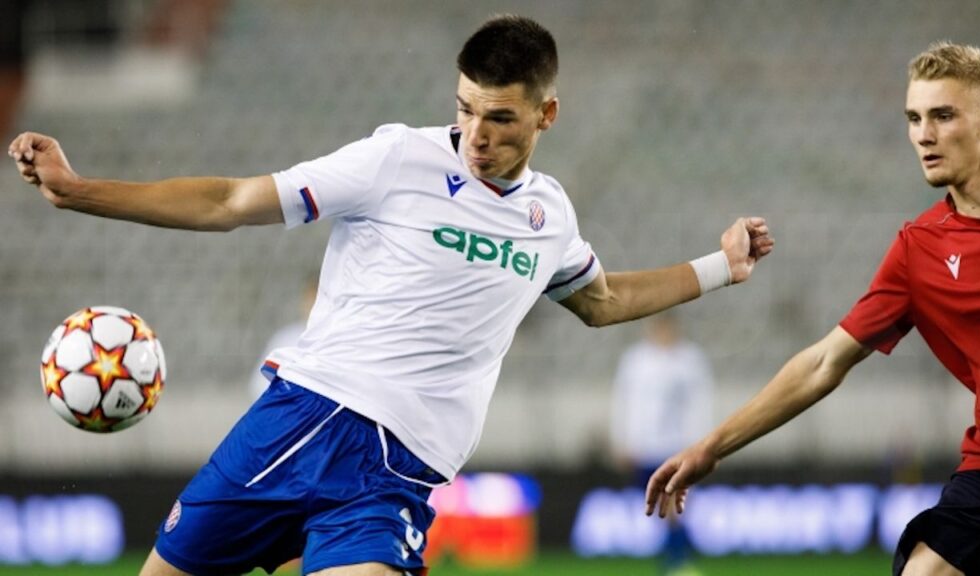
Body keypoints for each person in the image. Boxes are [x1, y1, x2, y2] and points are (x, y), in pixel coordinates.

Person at [10, 15, 773, 576]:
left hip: (394, 472)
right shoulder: (395, 159)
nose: (476, 134)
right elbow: (231, 201)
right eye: (465, 108)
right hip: (301, 420)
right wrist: (80, 191)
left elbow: (600, 301)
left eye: (499, 117)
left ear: (546, 115)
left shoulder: (551, 217)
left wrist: (720, 267)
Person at [645, 41, 980, 576]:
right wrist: (712, 447)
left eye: (943, 116)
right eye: (914, 118)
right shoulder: (919, 251)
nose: (924, 135)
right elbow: (824, 363)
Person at [610, 312, 713, 576]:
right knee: (659, 508)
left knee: (672, 505)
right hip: (644, 447)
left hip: (677, 447)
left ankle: (677, 562)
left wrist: (702, 443)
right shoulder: (635, 360)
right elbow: (624, 403)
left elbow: (700, 404)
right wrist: (623, 440)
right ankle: (680, 554)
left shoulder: (690, 360)